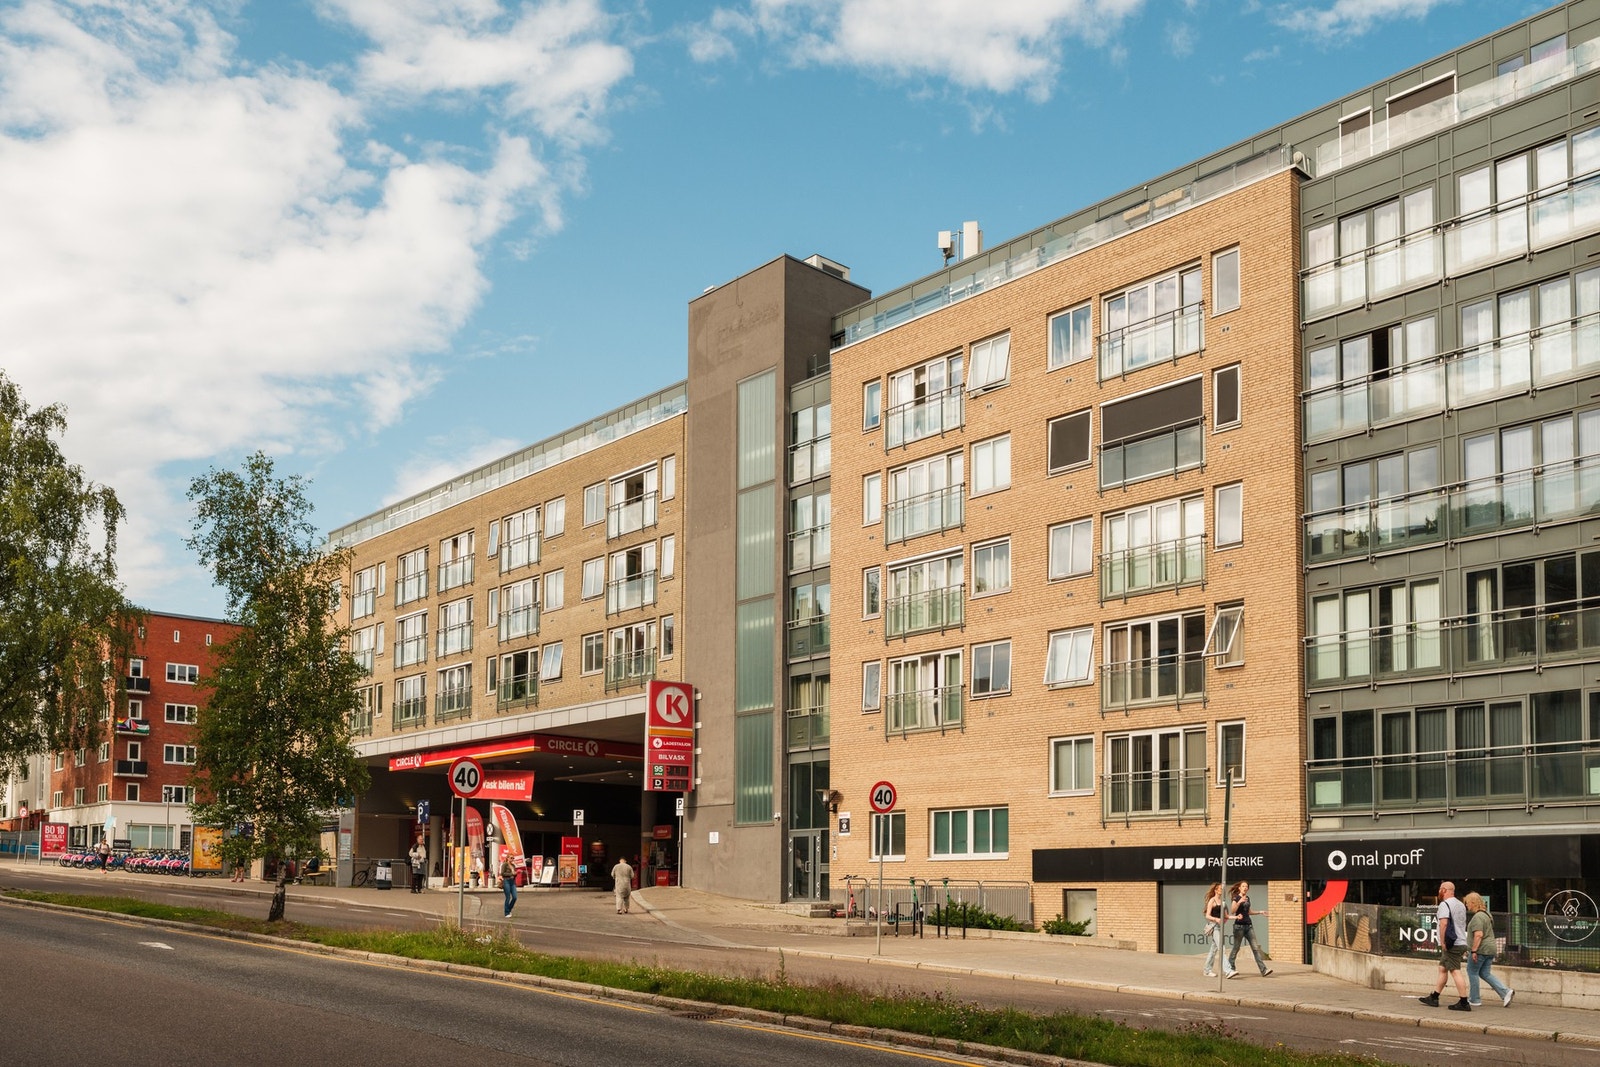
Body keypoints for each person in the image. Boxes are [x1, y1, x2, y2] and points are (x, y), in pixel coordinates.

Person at [1420, 880, 1472, 1010]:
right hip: (1460, 940)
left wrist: (1443, 942)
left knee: (1455, 971)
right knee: (1443, 968)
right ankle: (1434, 997)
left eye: (1440, 889)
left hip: (1451, 944)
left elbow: (1443, 924)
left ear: (1444, 890)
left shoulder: (1445, 904)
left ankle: (1464, 1002)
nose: (1439, 891)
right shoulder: (1460, 904)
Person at [1463, 891, 1513, 1007]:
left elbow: (1479, 934)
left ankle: (1474, 999)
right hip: (1490, 948)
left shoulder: (1478, 917)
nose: (1466, 906)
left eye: (1467, 903)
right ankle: (1505, 992)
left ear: (1472, 902)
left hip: (1481, 949)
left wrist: (1474, 950)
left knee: (1472, 972)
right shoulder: (1487, 914)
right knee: (1485, 973)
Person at [1226, 880, 1272, 977]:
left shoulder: (1247, 898)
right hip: (1239, 926)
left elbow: (1249, 912)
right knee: (1236, 948)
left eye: (1246, 886)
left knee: (1255, 948)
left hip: (1249, 926)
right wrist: (1239, 902)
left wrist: (1260, 912)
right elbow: (1233, 911)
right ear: (1239, 888)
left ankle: (1263, 970)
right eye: (1243, 886)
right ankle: (1230, 968)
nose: (1245, 888)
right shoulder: (1236, 898)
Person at [1201, 882, 1234, 978]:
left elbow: (1226, 916)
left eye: (1221, 888)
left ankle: (1207, 970)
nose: (1221, 890)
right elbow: (1207, 915)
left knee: (1213, 950)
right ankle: (1228, 971)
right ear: (1215, 890)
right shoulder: (1212, 900)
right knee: (1221, 948)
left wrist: (1237, 917)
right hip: (1214, 926)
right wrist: (1216, 919)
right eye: (1219, 889)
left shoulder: (1222, 902)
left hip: (1220, 927)